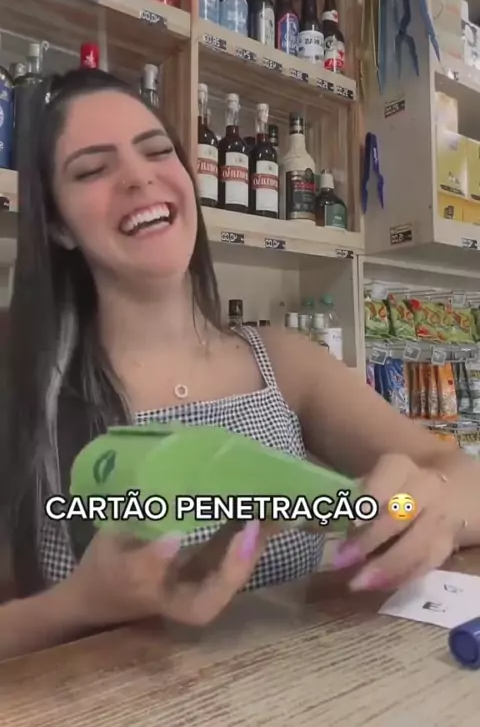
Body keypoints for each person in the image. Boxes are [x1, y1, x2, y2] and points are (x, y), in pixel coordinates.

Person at [1, 68, 479, 663]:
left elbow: (455, 476)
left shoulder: (283, 362)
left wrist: (423, 507)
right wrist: (78, 606)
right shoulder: (24, 387)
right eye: (93, 169)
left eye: (157, 151)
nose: (139, 176)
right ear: (57, 225)